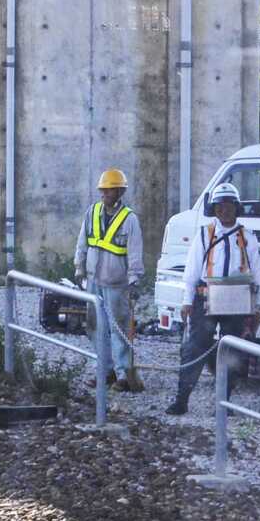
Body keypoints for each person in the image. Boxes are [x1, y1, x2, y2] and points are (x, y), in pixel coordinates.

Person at [166, 181, 260, 419]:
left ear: (236, 207)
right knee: (194, 349)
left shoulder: (248, 238)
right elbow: (191, 273)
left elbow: (258, 277)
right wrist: (187, 302)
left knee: (232, 351)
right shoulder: (204, 235)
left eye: (229, 205)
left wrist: (256, 307)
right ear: (214, 209)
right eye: (219, 206)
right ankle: (181, 401)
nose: (224, 210)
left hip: (238, 302)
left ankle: (224, 404)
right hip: (205, 300)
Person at [75, 166, 146, 392]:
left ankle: (124, 374)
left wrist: (134, 280)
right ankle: (105, 372)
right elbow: (82, 242)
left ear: (119, 192)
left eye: (110, 190)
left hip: (117, 284)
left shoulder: (129, 219)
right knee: (96, 327)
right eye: (103, 190)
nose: (105, 194)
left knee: (120, 329)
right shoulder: (92, 213)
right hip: (94, 280)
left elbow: (135, 251)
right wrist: (79, 267)